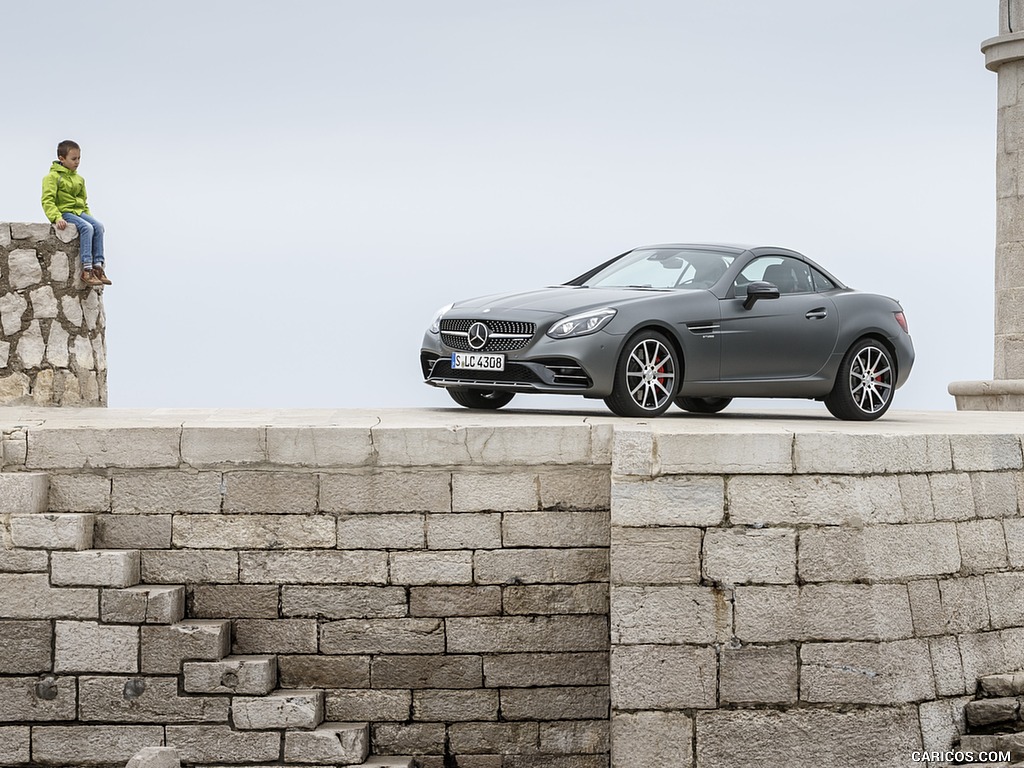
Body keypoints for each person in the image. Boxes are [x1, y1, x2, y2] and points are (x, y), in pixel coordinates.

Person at [41, 140, 111, 287]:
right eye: (73, 159)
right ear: (61, 159)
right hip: (65, 212)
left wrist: (89, 217)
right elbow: (48, 200)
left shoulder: (79, 179)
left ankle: (98, 266)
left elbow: (83, 202)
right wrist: (56, 217)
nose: (77, 162)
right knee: (87, 228)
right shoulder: (52, 177)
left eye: (79, 158)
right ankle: (87, 269)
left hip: (79, 212)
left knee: (98, 226)